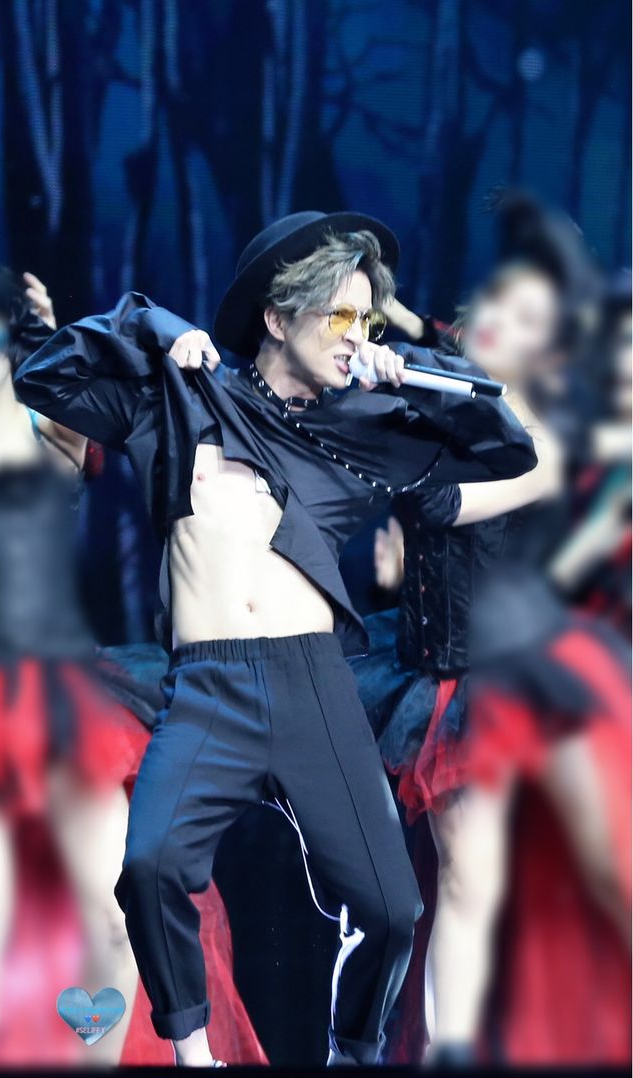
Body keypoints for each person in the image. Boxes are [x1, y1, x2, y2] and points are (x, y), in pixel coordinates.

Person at [14, 210, 536, 1067]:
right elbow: (49, 375)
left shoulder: (359, 428)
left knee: (393, 909)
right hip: (210, 686)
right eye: (341, 315)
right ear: (277, 317)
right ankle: (195, 1058)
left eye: (367, 321)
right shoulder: (178, 397)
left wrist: (415, 377)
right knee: (149, 870)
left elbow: (507, 449)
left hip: (313, 685)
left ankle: (350, 1053)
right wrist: (159, 327)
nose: (355, 336)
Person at [0, 259, 265, 1067]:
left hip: (60, 694)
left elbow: (98, 369)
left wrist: (42, 328)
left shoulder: (48, 422)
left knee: (113, 920)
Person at [352, 196, 631, 1064]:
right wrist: (387, 349)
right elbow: (433, 352)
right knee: (467, 881)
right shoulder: (453, 386)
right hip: (437, 679)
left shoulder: (557, 421)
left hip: (519, 676)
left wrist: (407, 426)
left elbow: (474, 492)